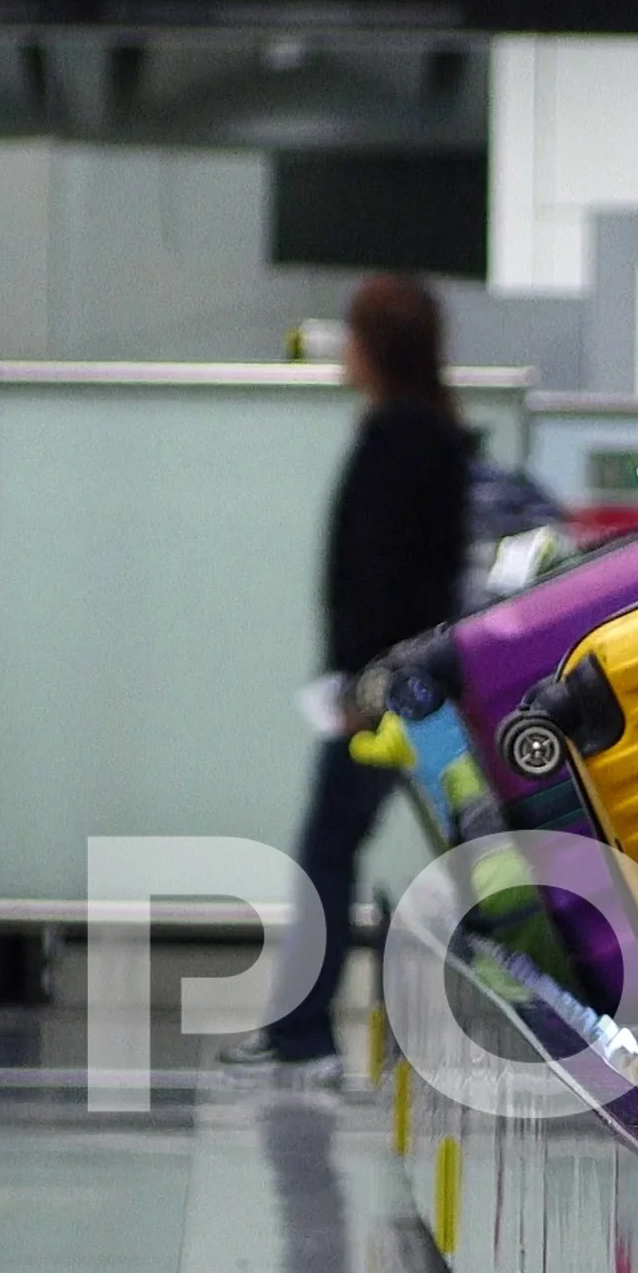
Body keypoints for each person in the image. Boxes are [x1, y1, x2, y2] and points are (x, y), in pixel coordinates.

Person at [249, 274, 476, 1078]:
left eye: (351, 336)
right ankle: (298, 1028)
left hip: (387, 686)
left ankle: (302, 1033)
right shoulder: (427, 434)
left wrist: (357, 684)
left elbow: (379, 574)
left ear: (373, 348)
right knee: (460, 836)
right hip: (411, 677)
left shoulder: (398, 441)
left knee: (330, 843)